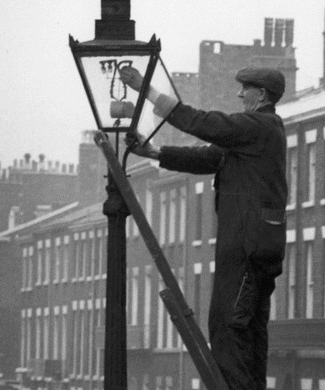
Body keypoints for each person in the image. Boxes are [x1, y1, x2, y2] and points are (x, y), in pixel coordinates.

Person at [120, 66, 287, 390]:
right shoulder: (256, 135)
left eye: (245, 89)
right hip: (257, 243)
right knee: (250, 330)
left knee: (228, 324)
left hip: (246, 245)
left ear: (261, 95)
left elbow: (203, 123)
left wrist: (146, 90)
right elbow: (209, 158)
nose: (239, 95)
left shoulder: (258, 125)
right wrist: (155, 153)